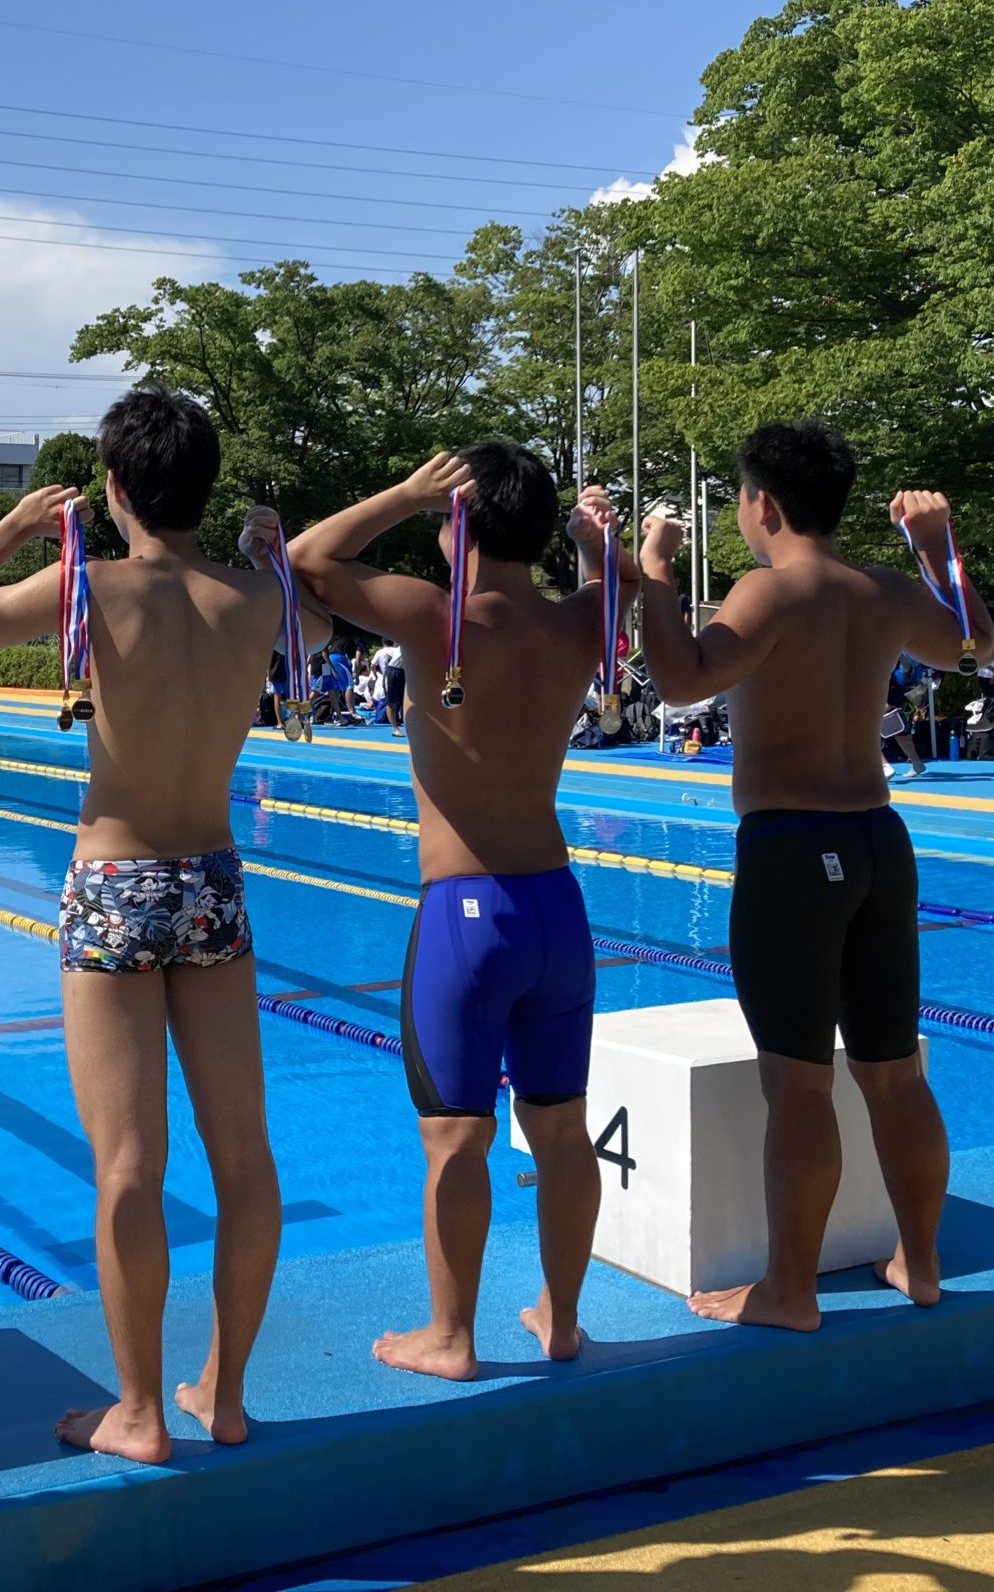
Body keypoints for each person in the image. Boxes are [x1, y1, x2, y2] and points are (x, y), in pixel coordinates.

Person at [0, 391, 327, 1463]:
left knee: (127, 1166)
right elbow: (316, 622)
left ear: (113, 488)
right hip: (211, 881)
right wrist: (271, 554)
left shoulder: (88, 585)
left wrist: (13, 528)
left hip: (114, 881)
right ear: (204, 487)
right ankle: (226, 1392)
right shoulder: (255, 599)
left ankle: (139, 1412)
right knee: (244, 1155)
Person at [635, 419, 991, 1334]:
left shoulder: (769, 590)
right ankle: (920, 1260)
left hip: (793, 852)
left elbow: (678, 682)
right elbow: (976, 647)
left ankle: (789, 1290)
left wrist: (655, 573)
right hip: (879, 843)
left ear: (762, 504)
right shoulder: (887, 591)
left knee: (797, 1086)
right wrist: (937, 546)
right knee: (895, 1076)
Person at [289, 449, 632, 1380]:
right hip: (557, 908)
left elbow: (309, 559)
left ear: (459, 522)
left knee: (455, 1140)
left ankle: (450, 1337)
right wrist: (592, 545)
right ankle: (562, 1320)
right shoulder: (579, 621)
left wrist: (404, 494)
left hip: (466, 914)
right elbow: (620, 588)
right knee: (561, 1129)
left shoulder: (434, 615)